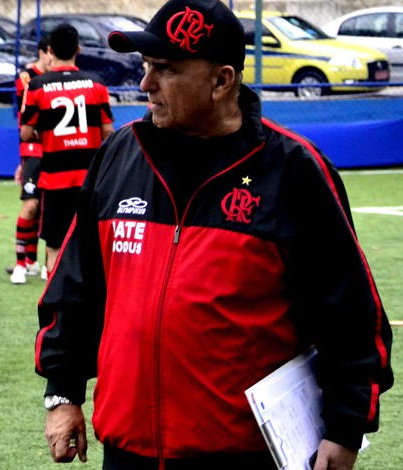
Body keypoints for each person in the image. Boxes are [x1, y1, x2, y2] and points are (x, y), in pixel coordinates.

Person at [34, 1, 394, 469]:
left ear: (222, 81)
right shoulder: (120, 155)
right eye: (145, 66)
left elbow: (353, 317)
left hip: (243, 455)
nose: (146, 84)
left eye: (164, 69)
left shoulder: (293, 170)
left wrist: (345, 429)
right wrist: (61, 391)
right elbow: (75, 289)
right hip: (128, 450)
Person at [20, 23, 115, 277]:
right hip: (90, 181)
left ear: (50, 51)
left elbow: (25, 133)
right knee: (93, 247)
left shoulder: (37, 86)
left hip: (55, 182)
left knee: (54, 248)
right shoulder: (97, 85)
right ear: (78, 49)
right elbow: (108, 131)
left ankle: (57, 307)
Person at [10, 36, 53, 285]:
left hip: (54, 149)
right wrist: (22, 159)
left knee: (48, 208)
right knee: (31, 206)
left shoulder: (59, 78)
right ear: (43, 52)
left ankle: (35, 260)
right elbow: (25, 120)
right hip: (33, 150)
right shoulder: (26, 78)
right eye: (49, 53)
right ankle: (20, 262)